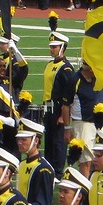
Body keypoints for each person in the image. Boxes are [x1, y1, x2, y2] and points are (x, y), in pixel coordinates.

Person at [42, 28, 76, 171]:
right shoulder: (50, 64)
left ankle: (57, 170)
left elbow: (69, 93)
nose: (52, 49)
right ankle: (50, 168)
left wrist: (63, 115)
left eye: (55, 46)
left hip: (58, 109)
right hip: (48, 108)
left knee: (58, 142)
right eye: (51, 46)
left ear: (62, 47)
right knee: (49, 141)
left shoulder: (66, 68)